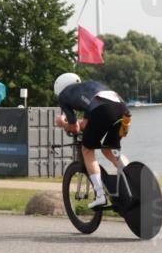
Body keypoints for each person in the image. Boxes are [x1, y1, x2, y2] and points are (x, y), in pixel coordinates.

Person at [53, 73, 131, 209]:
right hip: (123, 110)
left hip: (102, 110)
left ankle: (100, 196)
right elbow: (86, 123)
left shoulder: (64, 95)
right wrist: (76, 124)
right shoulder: (89, 87)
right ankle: (132, 179)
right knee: (109, 150)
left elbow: (75, 128)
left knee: (87, 150)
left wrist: (62, 123)